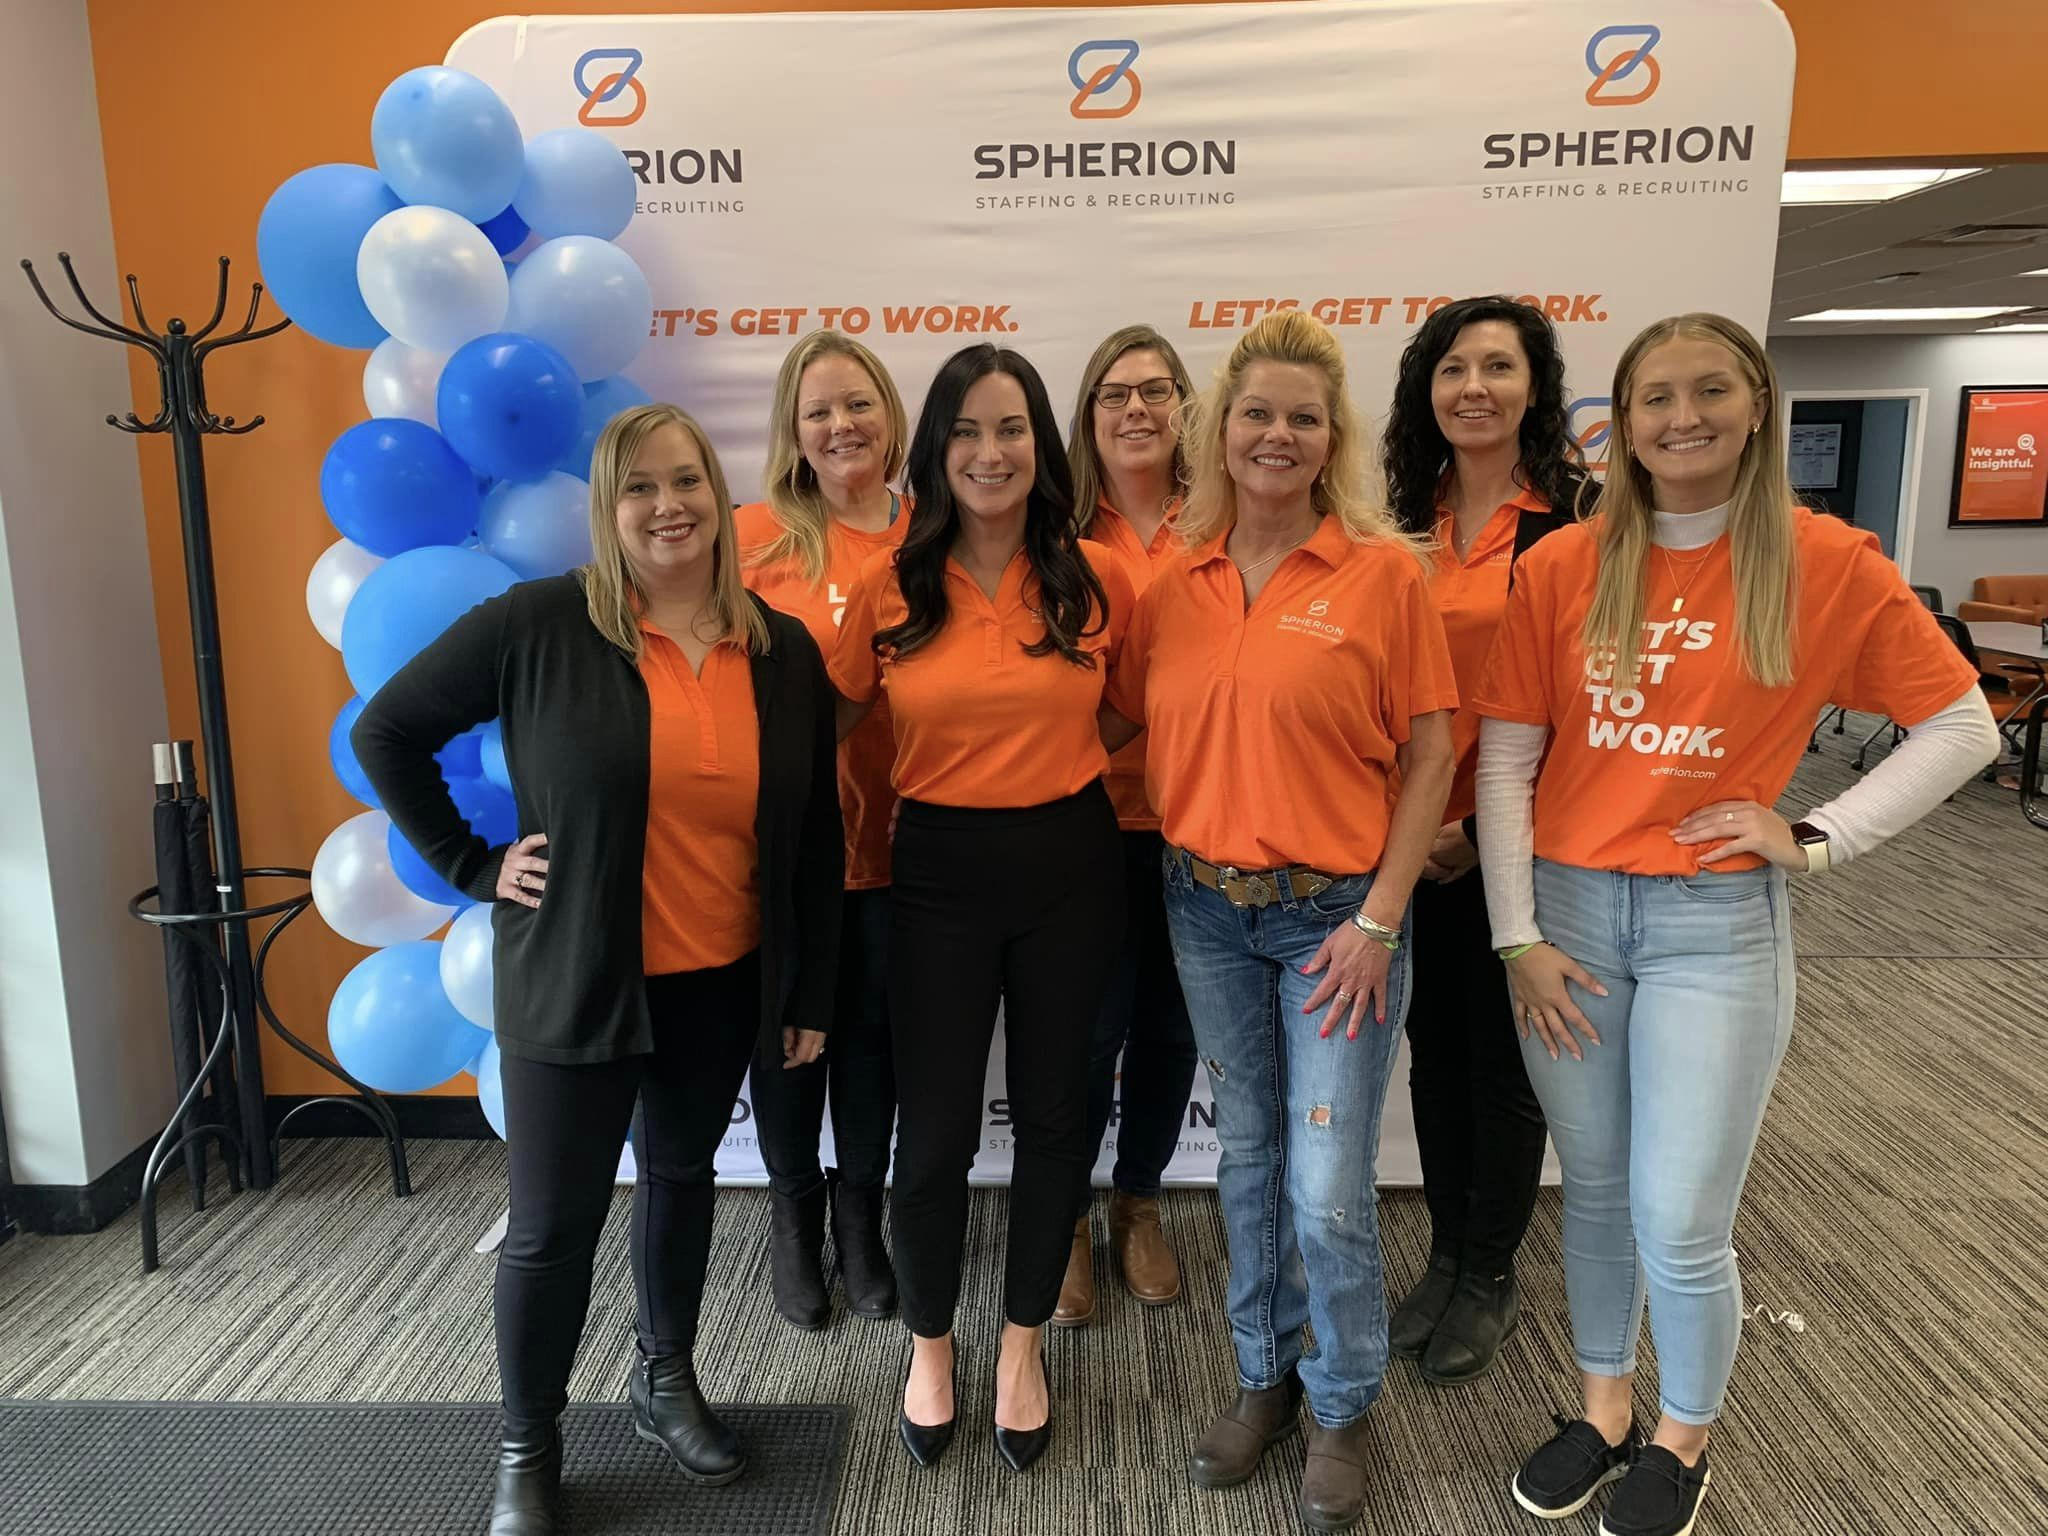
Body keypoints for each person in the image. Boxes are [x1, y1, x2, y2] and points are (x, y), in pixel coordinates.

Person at [1472, 313, 1998, 1536]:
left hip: (1716, 928)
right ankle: (1602, 1411)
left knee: (1679, 1211)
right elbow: (1506, 761)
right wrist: (1515, 936)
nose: (1681, 417)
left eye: (1710, 391)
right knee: (1594, 1189)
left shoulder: (1828, 561)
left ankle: (1681, 1437)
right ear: (1619, 422)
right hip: (1569, 923)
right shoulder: (1562, 565)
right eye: (1654, 397)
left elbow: (1963, 726)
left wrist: (1815, 835)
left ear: (1757, 404)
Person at [353, 404, 844, 1536]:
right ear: (606, 509)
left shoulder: (778, 652)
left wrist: (804, 995)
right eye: (639, 488)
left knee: (680, 1184)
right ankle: (528, 1442)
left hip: (717, 981)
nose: (667, 507)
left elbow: (811, 837)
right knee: (551, 1227)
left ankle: (663, 1379)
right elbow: (388, 731)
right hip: (572, 981)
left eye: (686, 483)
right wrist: (471, 866)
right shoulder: (538, 626)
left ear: (719, 502)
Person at [1101, 310, 1458, 1533]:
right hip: (1202, 908)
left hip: (1335, 924)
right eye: (1254, 411)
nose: (1276, 433)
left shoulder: (1381, 575)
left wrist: (1380, 916)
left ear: (1331, 437)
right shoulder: (1171, 583)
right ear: (1218, 427)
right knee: (1246, 1162)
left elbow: (1428, 754)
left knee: (1322, 1182)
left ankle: (1342, 1399)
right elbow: (1109, 725)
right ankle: (1263, 1378)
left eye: (1302, 416)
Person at [829, 343, 1137, 1474]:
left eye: (1009, 429)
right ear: (934, 450)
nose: (988, 452)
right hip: (937, 871)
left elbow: (1125, 715)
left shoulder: (1098, 576)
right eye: (964, 430)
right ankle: (929, 1346)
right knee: (939, 1130)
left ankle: (1018, 1347)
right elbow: (832, 724)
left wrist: (1039, 765)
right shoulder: (890, 584)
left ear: (1039, 447)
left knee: (1057, 1116)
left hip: (1069, 860)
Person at [1377, 296, 1590, 1385]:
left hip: (1517, 841)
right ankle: (1447, 1250)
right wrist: (1418, 830)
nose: (1472, 387)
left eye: (1496, 368)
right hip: (1409, 841)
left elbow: (1593, 702)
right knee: (1436, 1057)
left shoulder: (1576, 522)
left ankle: (1491, 1271)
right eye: (1452, 367)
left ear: (1531, 388)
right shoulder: (1395, 521)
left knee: (1503, 1067)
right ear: (1426, 389)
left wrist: (1479, 824)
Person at [736, 331, 911, 1331]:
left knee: (875, 1047)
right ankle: (793, 1218)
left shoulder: (934, 531)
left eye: (857, 405)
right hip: (786, 857)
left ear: (888, 417)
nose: (840, 426)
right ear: (792, 433)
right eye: (818, 412)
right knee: (789, 1047)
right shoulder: (752, 538)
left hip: (907, 845)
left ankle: (860, 1222)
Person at [1052, 323, 1200, 1328]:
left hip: (1203, 823)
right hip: (1083, 823)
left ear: (1184, 406)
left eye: (1153, 390)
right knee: (1079, 1031)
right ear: (1087, 416)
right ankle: (1059, 1215)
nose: (1135, 409)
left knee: (1169, 1029)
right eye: (1113, 394)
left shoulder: (1231, 519)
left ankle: (1136, 1202)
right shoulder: (1048, 532)